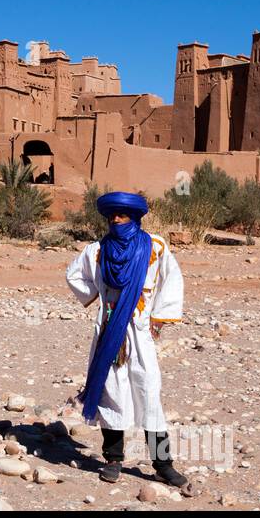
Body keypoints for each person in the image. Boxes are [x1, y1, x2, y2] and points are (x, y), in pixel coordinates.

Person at [65, 191, 186, 486]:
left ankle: (163, 464)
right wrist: (97, 297)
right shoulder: (96, 251)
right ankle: (113, 459)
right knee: (112, 395)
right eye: (112, 216)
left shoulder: (155, 247)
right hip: (109, 332)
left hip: (140, 334)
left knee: (149, 395)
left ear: (134, 217)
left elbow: (172, 279)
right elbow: (73, 275)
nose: (116, 220)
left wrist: (158, 319)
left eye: (122, 215)